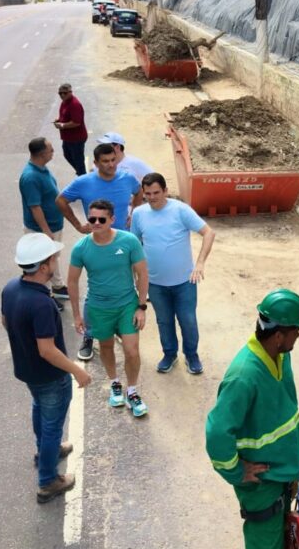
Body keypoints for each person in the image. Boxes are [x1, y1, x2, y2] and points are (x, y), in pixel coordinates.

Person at [205, 289, 299, 549]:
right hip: (263, 484)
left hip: (283, 474)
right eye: (296, 331)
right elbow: (217, 433)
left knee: (277, 544)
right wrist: (237, 472)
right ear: (278, 335)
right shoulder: (244, 376)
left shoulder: (279, 356)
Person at [1, 233, 92, 504]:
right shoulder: (40, 303)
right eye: (53, 258)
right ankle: (48, 481)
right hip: (50, 375)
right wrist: (77, 370)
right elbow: (47, 350)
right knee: (53, 425)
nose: (56, 260)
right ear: (43, 267)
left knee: (40, 410)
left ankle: (44, 452)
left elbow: (6, 321)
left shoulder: (10, 288)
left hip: (28, 371)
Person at [57, 144, 142, 360]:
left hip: (124, 244)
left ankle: (122, 328)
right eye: (105, 161)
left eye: (113, 160)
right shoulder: (84, 182)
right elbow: (61, 200)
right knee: (95, 289)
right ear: (95, 163)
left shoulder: (127, 179)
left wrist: (134, 212)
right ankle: (89, 335)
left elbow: (138, 192)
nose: (111, 165)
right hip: (97, 244)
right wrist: (78, 225)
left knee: (126, 286)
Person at [67, 199, 150, 418]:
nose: (95, 223)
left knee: (132, 351)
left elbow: (143, 273)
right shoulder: (81, 248)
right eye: (92, 218)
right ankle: (115, 383)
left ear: (112, 219)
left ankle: (132, 391)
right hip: (98, 308)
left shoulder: (129, 241)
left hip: (127, 305)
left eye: (101, 219)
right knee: (105, 347)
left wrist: (141, 307)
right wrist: (77, 315)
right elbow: (73, 282)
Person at [130, 173, 216, 375]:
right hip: (155, 283)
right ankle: (169, 354)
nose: (152, 197)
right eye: (147, 193)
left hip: (185, 282)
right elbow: (134, 243)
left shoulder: (180, 210)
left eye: (156, 192)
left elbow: (208, 233)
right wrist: (136, 273)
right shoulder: (139, 214)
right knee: (164, 321)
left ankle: (192, 355)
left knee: (187, 320)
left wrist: (200, 263)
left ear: (166, 191)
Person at [19, 137, 68, 300]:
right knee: (42, 265)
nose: (53, 152)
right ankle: (46, 296)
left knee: (52, 259)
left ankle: (58, 286)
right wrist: (46, 231)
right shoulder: (31, 177)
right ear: (41, 154)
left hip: (53, 225)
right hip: (42, 229)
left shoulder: (42, 169)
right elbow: (35, 207)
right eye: (51, 150)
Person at [54, 83, 88, 176]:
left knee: (78, 160)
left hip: (76, 138)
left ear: (70, 92)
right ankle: (81, 173)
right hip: (68, 138)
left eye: (64, 93)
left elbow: (76, 122)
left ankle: (82, 176)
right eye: (60, 93)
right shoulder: (64, 102)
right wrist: (59, 120)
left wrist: (62, 125)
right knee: (67, 155)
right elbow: (65, 116)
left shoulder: (75, 104)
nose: (62, 95)